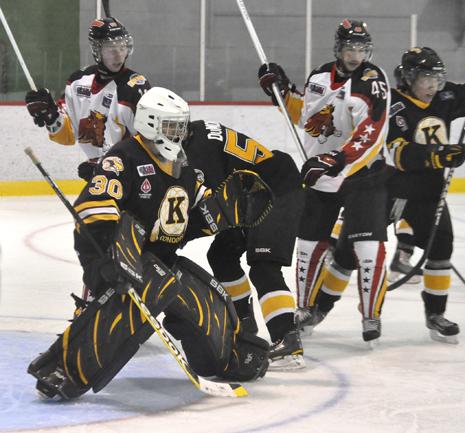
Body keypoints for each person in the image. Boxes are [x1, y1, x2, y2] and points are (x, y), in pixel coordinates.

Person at [26, 87, 273, 400]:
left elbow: (184, 224)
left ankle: (230, 357)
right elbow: (94, 210)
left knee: (209, 301)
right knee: (147, 286)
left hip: (160, 261)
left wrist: (224, 212)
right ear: (150, 124)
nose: (178, 134)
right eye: (172, 127)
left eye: (181, 127)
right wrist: (103, 262)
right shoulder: (122, 159)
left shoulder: (183, 170)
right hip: (118, 259)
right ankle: (63, 368)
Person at [258, 19, 391, 342]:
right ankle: (304, 308)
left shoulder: (373, 82)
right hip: (322, 173)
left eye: (360, 49)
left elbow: (372, 132)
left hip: (363, 174)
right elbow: (306, 117)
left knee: (369, 249)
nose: (355, 56)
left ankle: (371, 316)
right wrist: (282, 92)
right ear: (338, 49)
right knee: (306, 245)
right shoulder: (319, 77)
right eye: (349, 48)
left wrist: (336, 159)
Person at [385, 47, 465, 343]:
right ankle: (316, 309)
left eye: (436, 78)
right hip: (392, 188)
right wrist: (439, 155)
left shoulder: (444, 96)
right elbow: (398, 154)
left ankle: (435, 314)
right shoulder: (393, 104)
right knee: (349, 249)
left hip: (429, 192)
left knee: (441, 247)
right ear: (409, 78)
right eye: (426, 79)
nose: (433, 85)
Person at [184, 119, 305, 369]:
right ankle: (244, 326)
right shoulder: (197, 133)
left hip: (274, 190)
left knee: (264, 265)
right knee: (221, 254)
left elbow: (211, 210)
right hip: (248, 196)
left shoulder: (199, 153)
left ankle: (287, 339)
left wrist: (175, 238)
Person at [24, 17, 150, 182]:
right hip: (101, 176)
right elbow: (68, 135)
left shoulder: (134, 88)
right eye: (111, 48)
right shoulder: (78, 82)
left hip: (133, 179)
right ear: (97, 50)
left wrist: (111, 167)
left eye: (122, 46)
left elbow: (150, 146)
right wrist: (51, 117)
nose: (118, 54)